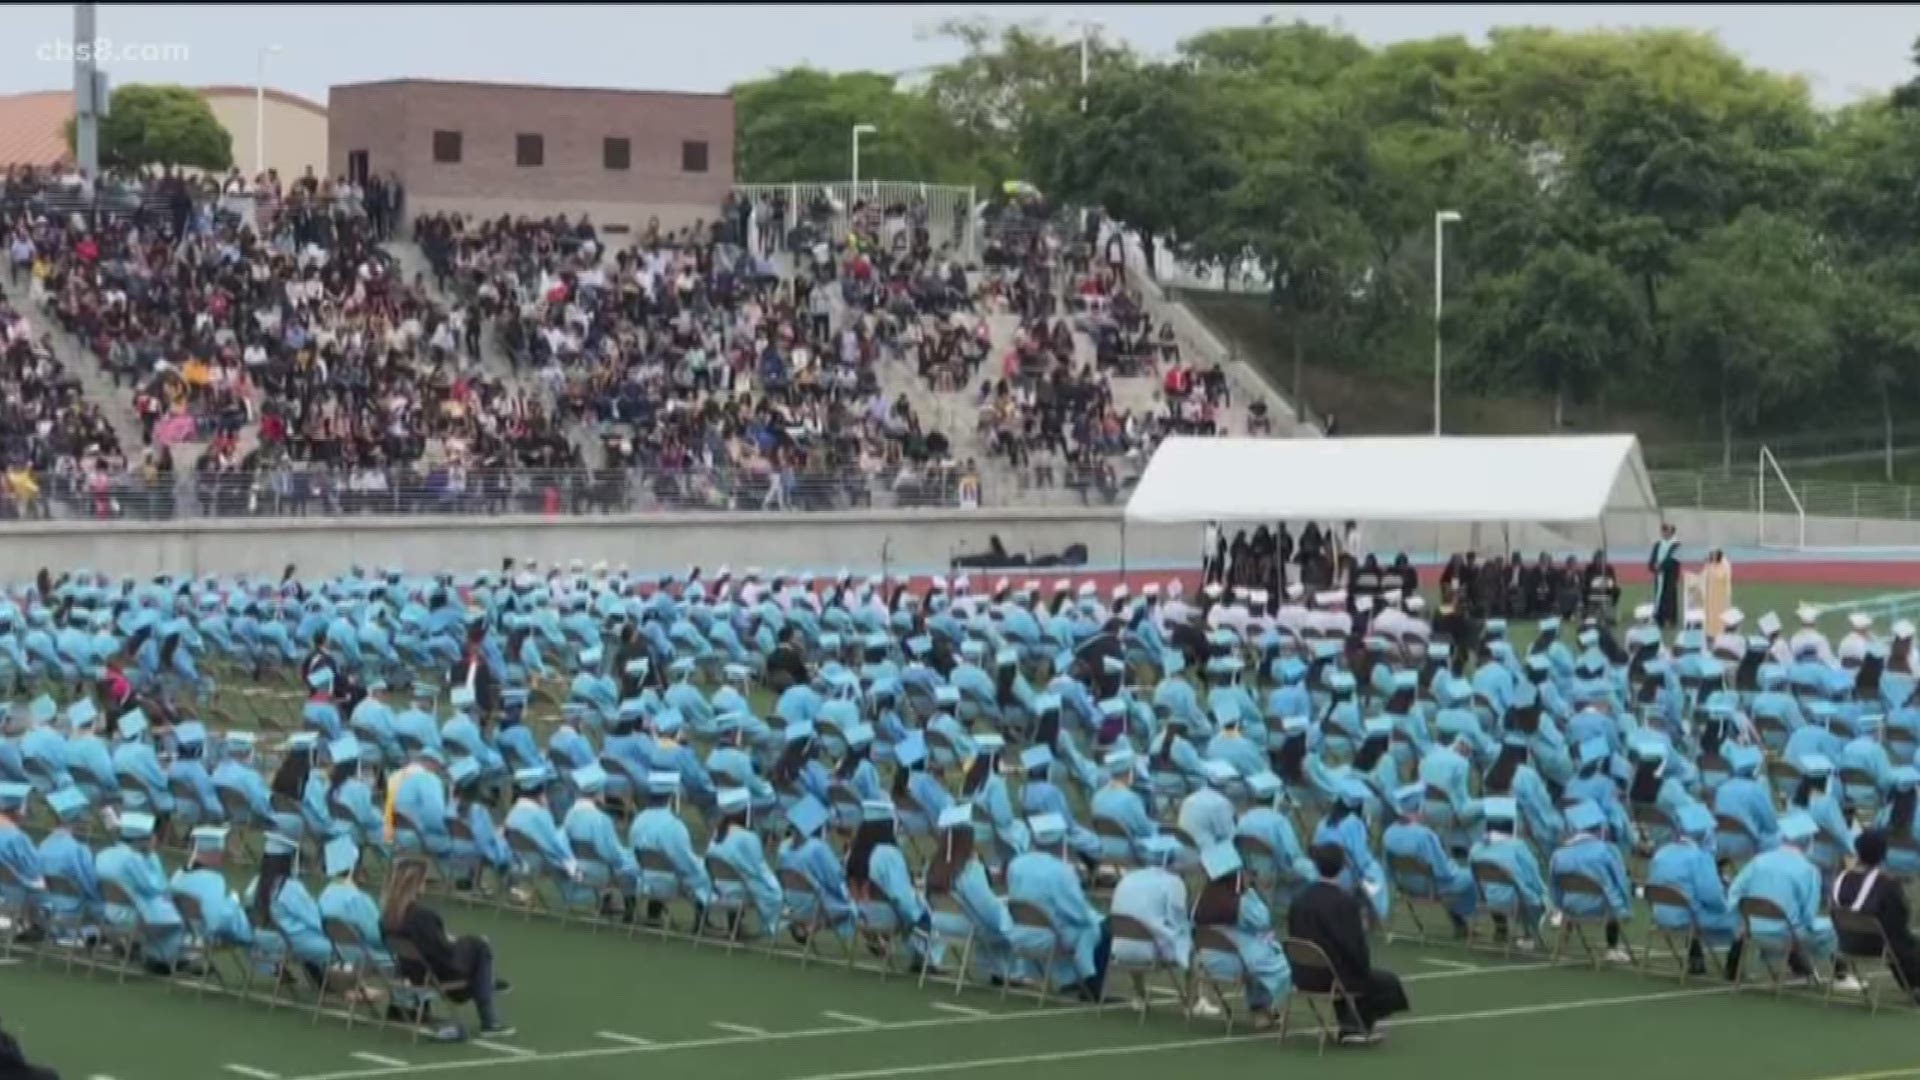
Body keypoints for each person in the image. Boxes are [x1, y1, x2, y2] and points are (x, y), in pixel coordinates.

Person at [1287, 843, 1410, 1046]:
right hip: (1333, 977)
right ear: (1343, 867)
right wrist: (1363, 969)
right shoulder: (1345, 903)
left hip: (1302, 974)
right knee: (1386, 982)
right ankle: (1356, 1023)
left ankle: (1351, 1021)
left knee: (1351, 972)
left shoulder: (1299, 899)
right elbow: (1355, 949)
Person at [381, 859, 516, 1040]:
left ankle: (487, 981)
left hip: (411, 971)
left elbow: (430, 945)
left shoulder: (386, 917)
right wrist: (456, 942)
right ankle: (489, 1020)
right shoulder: (423, 917)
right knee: (480, 946)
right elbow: (444, 955)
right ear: (417, 883)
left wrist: (448, 939)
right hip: (437, 974)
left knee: (471, 948)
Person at [1191, 842, 1290, 1028]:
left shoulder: (1202, 900)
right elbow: (1263, 920)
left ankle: (1261, 1010)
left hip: (1207, 961)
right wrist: (1250, 891)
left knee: (1258, 952)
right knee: (1271, 958)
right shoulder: (1242, 902)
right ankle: (1261, 1010)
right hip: (1236, 962)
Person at [1645, 805, 1742, 978]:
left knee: (1693, 904)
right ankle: (1733, 969)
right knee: (1742, 919)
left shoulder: (1661, 853)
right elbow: (1712, 897)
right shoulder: (1699, 858)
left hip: (1660, 915)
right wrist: (1727, 902)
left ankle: (1695, 958)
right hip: (1689, 917)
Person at [1831, 828, 1920, 1002]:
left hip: (1843, 941)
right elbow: (1899, 922)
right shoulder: (1887, 884)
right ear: (1884, 853)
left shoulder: (1841, 878)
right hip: (1877, 943)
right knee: (1903, 942)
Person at [1548, 801, 1634, 964]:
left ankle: (1563, 945)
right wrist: (1623, 908)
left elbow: (1554, 885)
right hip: (1600, 905)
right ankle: (1612, 947)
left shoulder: (1559, 854)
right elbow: (1620, 881)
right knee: (1613, 893)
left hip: (1570, 905)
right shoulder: (1606, 851)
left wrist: (1558, 905)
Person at [1647, 523, 1682, 631]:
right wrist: (1653, 565)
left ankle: (1670, 619)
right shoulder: (1658, 544)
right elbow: (1653, 557)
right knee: (1659, 595)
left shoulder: (1676, 544)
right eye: (1663, 530)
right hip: (1659, 575)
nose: (1664, 533)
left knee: (1669, 596)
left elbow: (1673, 559)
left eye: (1666, 530)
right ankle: (1659, 618)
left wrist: (1661, 566)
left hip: (1670, 574)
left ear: (1671, 532)